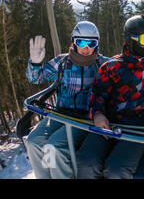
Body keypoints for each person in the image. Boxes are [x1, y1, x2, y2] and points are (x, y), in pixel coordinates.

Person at [76, 15, 144, 179]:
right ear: (131, 39)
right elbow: (98, 93)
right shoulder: (112, 66)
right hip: (108, 124)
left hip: (139, 128)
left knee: (117, 170)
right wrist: (98, 114)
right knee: (87, 162)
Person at [25, 21, 109, 179]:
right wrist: (35, 63)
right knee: (34, 142)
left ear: (97, 44)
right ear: (74, 42)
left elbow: (121, 77)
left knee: (54, 147)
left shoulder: (102, 64)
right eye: (81, 42)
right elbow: (35, 78)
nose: (86, 48)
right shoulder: (63, 62)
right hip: (60, 114)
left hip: (84, 118)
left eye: (91, 43)